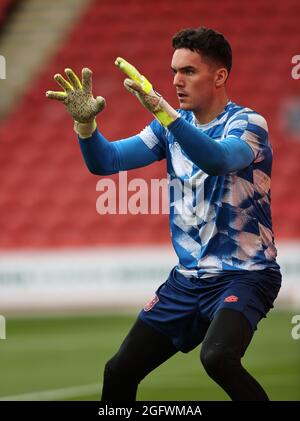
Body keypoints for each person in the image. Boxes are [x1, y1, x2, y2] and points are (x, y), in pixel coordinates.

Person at [46, 27, 282, 401]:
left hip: (246, 275)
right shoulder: (170, 126)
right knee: (119, 370)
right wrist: (86, 126)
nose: (176, 81)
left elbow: (218, 159)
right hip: (187, 282)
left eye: (188, 71)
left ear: (219, 76)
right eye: (174, 71)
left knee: (218, 357)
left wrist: (163, 111)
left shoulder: (248, 125)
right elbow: (106, 161)